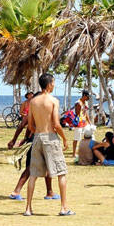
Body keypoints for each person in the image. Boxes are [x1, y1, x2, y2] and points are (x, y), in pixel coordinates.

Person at [24, 73, 73, 216]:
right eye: (53, 82)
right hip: (50, 137)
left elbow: (30, 125)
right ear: (49, 84)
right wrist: (64, 138)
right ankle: (64, 207)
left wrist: (38, 132)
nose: (54, 84)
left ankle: (28, 208)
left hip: (37, 136)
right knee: (61, 172)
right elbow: (56, 124)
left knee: (33, 173)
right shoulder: (53, 101)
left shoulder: (33, 102)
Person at [8, 92, 58, 201]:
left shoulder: (33, 111)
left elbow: (24, 126)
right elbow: (24, 126)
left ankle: (50, 192)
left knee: (47, 166)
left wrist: (20, 139)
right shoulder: (40, 111)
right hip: (41, 140)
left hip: (35, 139)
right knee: (31, 167)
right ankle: (16, 191)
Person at [72, 90, 90, 157]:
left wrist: (89, 122)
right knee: (77, 138)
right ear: (84, 96)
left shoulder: (86, 103)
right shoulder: (78, 103)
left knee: (88, 136)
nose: (88, 98)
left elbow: (85, 113)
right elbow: (77, 114)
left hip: (84, 122)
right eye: (88, 96)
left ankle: (85, 152)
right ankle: (74, 153)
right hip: (79, 122)